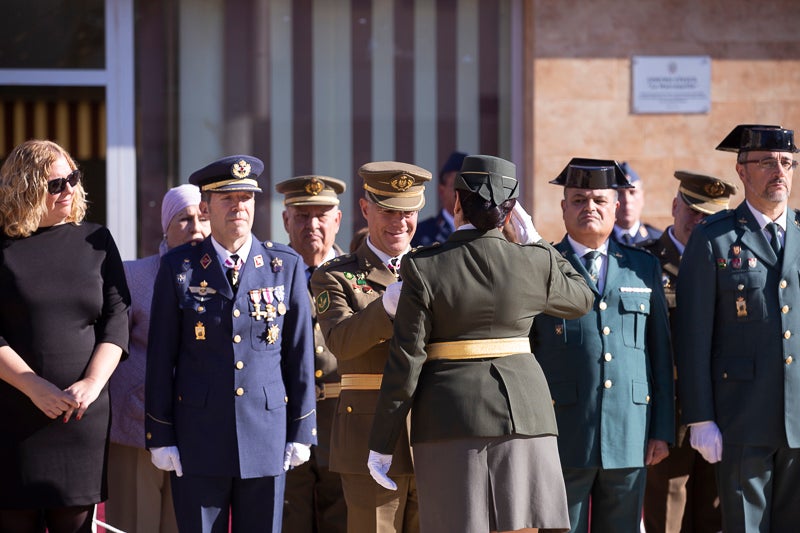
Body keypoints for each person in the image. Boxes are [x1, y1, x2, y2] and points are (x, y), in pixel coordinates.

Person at [366, 155, 594, 533]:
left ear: (457, 203)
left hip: (450, 418)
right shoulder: (535, 262)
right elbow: (582, 298)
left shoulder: (424, 266)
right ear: (511, 212)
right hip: (527, 417)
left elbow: (406, 362)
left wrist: (382, 442)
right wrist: (537, 242)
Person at [144, 155, 317, 533]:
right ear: (206, 207)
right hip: (199, 437)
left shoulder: (283, 265)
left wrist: (302, 429)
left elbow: (299, 354)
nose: (239, 207)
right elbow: (161, 357)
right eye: (228, 198)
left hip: (266, 436)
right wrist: (161, 434)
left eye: (247, 198)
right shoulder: (180, 267)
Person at [530, 158, 674, 533]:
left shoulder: (643, 267)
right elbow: (528, 352)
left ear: (615, 207)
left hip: (630, 432)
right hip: (563, 434)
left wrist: (662, 428)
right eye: (578, 200)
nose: (588, 208)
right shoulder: (542, 265)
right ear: (563, 208)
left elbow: (659, 355)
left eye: (598, 200)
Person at [675, 124, 800, 533]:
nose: (779, 171)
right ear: (742, 171)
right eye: (767, 162)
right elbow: (693, 336)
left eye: (787, 162)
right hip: (741, 418)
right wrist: (699, 416)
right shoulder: (715, 238)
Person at [0, 140, 130, 533]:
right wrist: (32, 385)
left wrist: (92, 383)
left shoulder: (97, 241)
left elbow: (118, 318)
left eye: (72, 178)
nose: (69, 190)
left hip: (80, 418)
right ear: (25, 187)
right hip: (12, 418)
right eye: (55, 184)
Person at [311, 161, 431, 533]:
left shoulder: (435, 265)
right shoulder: (334, 274)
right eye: (387, 211)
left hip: (431, 434)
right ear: (365, 209)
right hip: (368, 437)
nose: (399, 223)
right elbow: (341, 342)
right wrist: (387, 307)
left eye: (407, 212)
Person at [106, 184, 210, 533]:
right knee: (135, 524)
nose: (196, 226)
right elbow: (110, 344)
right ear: (165, 227)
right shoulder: (134, 276)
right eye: (184, 218)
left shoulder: (224, 276)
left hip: (197, 430)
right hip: (137, 425)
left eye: (203, 216)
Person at [641, 171, 736, 533]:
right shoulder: (645, 262)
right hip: (669, 409)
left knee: (715, 512)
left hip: (721, 407)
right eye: (693, 211)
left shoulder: (733, 263)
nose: (700, 222)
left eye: (711, 216)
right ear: (674, 207)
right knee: (669, 512)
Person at [275, 175, 348, 533]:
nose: (312, 225)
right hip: (285, 426)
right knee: (291, 521)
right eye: (302, 216)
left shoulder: (359, 275)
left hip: (345, 425)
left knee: (344, 520)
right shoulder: (268, 276)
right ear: (285, 220)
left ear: (338, 220)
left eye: (322, 215)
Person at [411, 151, 467, 247]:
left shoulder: (481, 231)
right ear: (441, 191)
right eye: (456, 186)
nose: (463, 193)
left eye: (468, 187)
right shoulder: (420, 233)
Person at [611, 161, 663, 245]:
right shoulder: (598, 240)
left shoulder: (659, 240)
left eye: (632, 192)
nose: (627, 200)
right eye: (620, 193)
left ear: (642, 197)